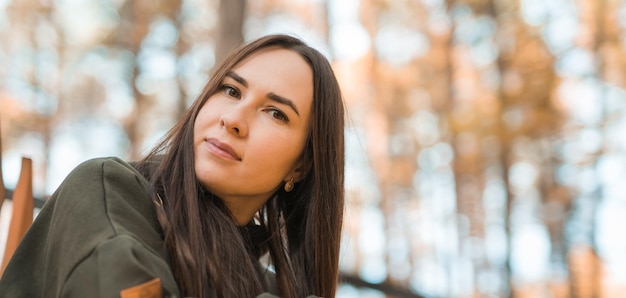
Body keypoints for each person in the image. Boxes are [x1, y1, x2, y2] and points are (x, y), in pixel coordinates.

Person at [0, 34, 345, 298]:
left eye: (276, 113)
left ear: (301, 166)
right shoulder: (107, 189)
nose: (233, 119)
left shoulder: (270, 284)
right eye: (230, 90)